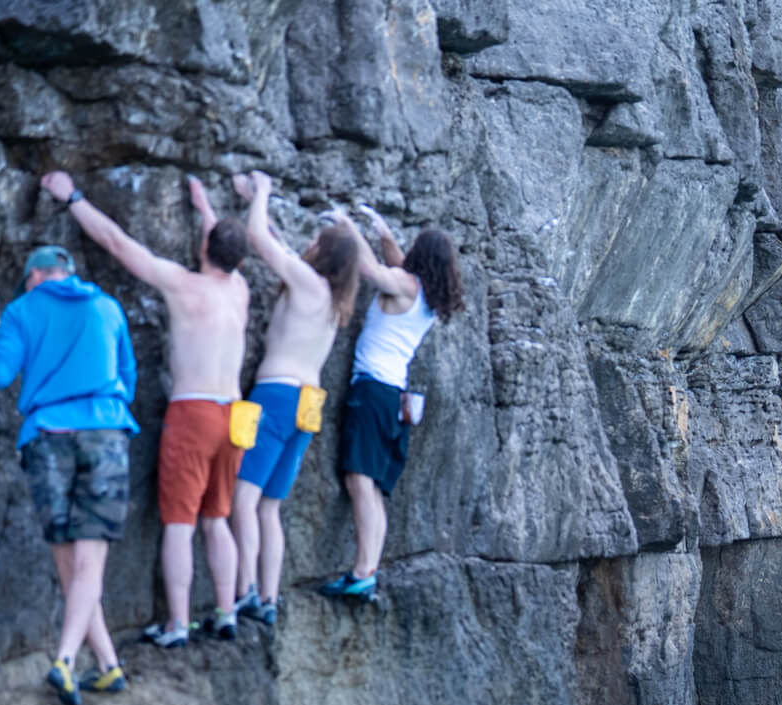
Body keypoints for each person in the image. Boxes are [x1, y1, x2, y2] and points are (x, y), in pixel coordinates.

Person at [0, 244, 138, 705]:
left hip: (48, 437)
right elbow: (128, 376)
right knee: (89, 561)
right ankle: (97, 663)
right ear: (67, 272)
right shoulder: (107, 307)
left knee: (67, 557)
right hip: (105, 432)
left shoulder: (22, 310)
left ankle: (76, 661)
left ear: (35, 276)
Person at [42, 170, 251, 646]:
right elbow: (225, 252)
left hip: (194, 412)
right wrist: (205, 209)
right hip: (234, 414)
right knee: (217, 518)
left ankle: (178, 624)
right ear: (240, 260)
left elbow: (117, 243)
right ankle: (226, 611)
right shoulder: (239, 291)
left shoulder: (183, 285)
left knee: (179, 522)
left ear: (204, 248)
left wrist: (73, 197)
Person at [229, 172, 360, 627]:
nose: (310, 243)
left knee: (242, 498)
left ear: (325, 253)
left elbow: (259, 240)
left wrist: (262, 192)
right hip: (308, 404)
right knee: (270, 506)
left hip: (277, 396)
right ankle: (269, 598)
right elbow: (282, 247)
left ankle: (244, 590)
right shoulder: (335, 301)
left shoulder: (307, 284)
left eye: (317, 241)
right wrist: (256, 202)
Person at [320, 206, 465, 602]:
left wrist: (347, 226)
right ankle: (367, 571)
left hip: (372, 391)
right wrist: (383, 232)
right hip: (391, 395)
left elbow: (372, 270)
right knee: (372, 487)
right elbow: (394, 261)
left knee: (359, 480)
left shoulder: (405, 285)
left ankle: (362, 571)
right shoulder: (427, 296)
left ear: (420, 255)